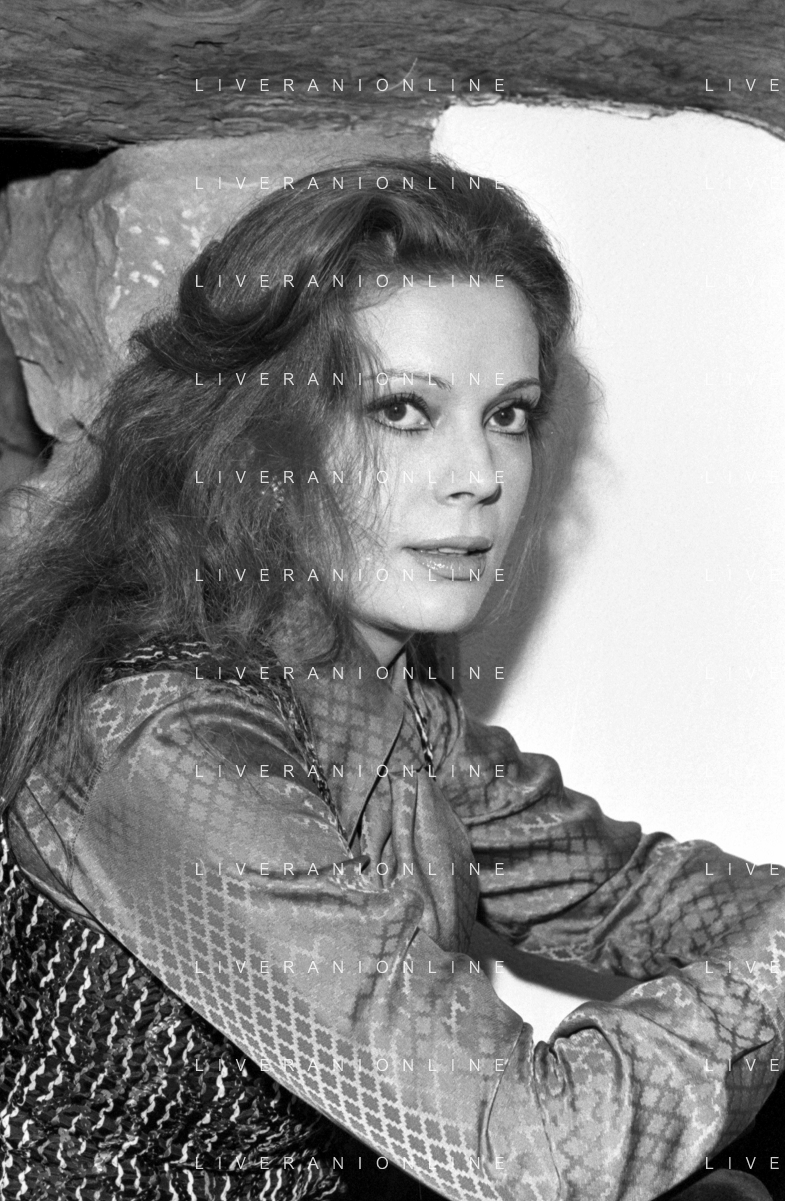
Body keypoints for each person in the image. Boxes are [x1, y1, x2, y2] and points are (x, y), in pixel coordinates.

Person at [0, 158, 781, 1201]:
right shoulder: (163, 733)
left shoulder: (371, 685)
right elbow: (532, 1155)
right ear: (257, 440)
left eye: (508, 413)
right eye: (403, 410)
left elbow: (621, 890)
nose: (480, 475)